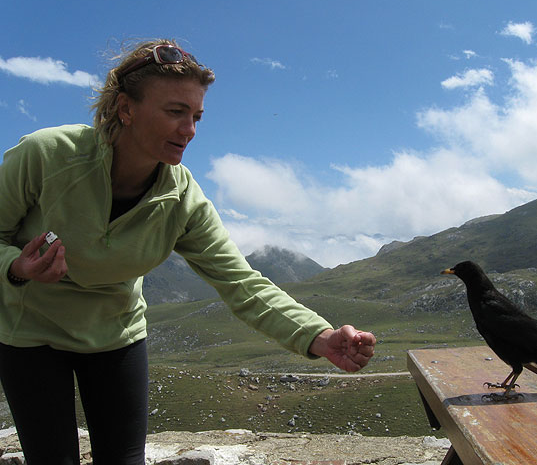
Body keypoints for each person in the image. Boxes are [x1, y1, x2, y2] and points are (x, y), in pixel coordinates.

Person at [0, 39, 376, 465]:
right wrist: (16, 267)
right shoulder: (47, 155)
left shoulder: (181, 199)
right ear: (126, 108)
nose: (189, 130)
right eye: (175, 112)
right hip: (31, 331)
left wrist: (319, 336)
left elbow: (241, 283)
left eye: (196, 116)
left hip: (116, 335)